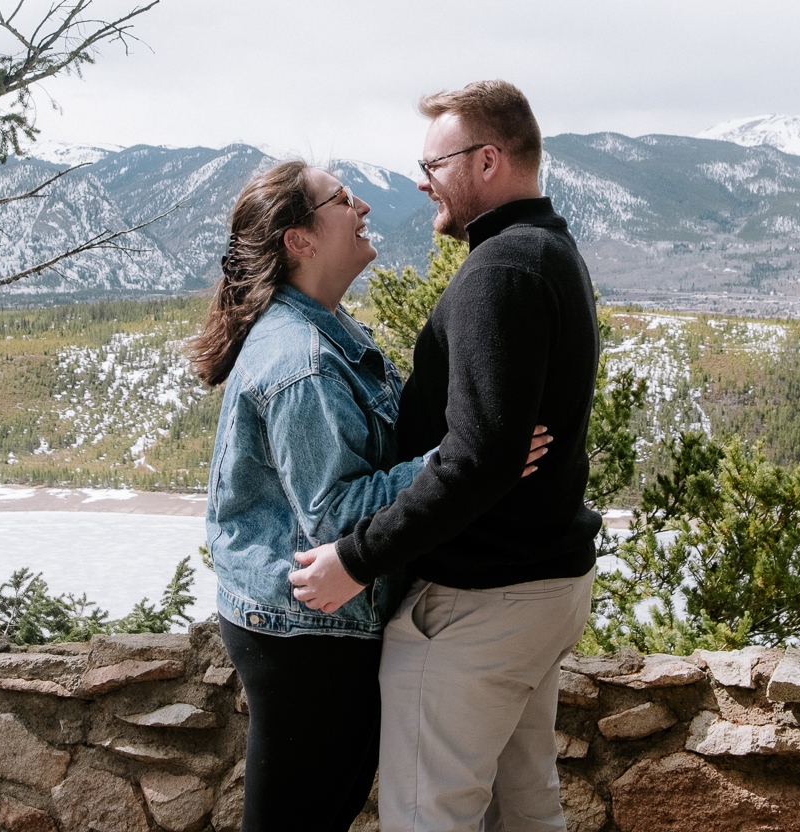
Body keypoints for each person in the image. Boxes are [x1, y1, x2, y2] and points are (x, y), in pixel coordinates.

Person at [189, 160, 553, 832]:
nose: (360, 205)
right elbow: (336, 515)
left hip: (308, 625)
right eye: (340, 198)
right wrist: (464, 459)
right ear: (299, 240)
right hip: (307, 634)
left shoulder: (328, 328)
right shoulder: (302, 359)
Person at [287, 81, 602, 832]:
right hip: (543, 588)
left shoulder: (501, 270)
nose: (421, 179)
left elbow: (481, 461)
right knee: (526, 811)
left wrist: (354, 559)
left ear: (488, 160)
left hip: (481, 604)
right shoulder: (549, 252)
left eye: (434, 162)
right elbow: (491, 450)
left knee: (427, 818)